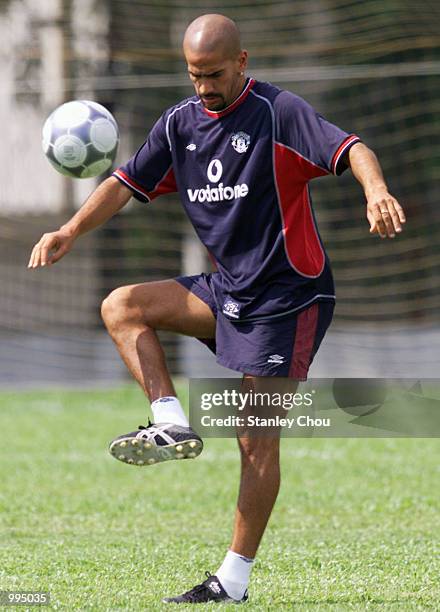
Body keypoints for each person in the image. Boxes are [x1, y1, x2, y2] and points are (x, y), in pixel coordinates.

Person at [28, 13, 406, 605]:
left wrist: (375, 191)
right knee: (122, 306)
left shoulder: (279, 114)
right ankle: (170, 420)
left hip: (289, 296)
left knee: (255, 437)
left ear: (242, 63)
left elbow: (353, 147)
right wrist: (69, 230)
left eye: (213, 74)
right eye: (194, 75)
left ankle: (232, 581)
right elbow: (126, 182)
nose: (203, 86)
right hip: (227, 292)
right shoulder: (180, 124)